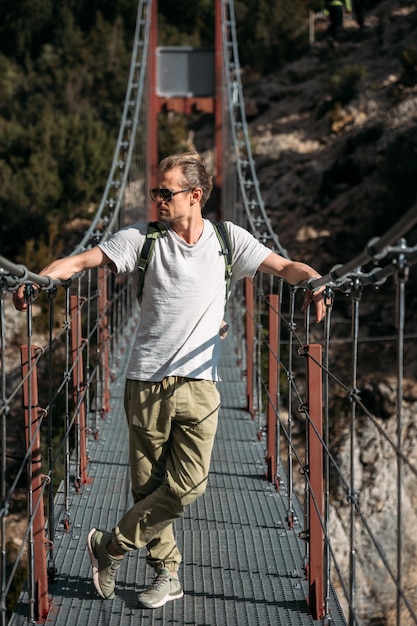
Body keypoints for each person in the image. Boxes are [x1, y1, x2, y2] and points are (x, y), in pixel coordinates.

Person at [13, 152, 326, 609]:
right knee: (148, 487)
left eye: (166, 192)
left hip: (201, 383)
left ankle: (110, 546)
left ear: (195, 195)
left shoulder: (227, 239)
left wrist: (316, 280)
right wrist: (43, 279)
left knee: (189, 484)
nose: (157, 198)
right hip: (145, 381)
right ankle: (167, 573)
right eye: (156, 190)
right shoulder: (141, 238)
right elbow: (83, 261)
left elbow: (284, 267)